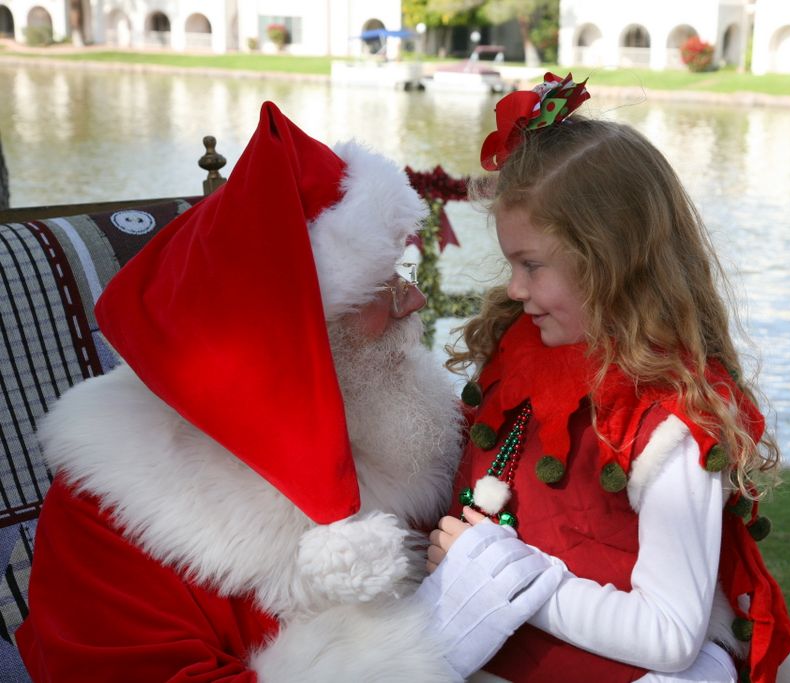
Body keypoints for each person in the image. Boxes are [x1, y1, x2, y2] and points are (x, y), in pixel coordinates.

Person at [15, 101, 560, 681]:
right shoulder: (109, 509)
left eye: (405, 275)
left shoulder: (404, 419)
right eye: (384, 287)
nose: (417, 301)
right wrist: (426, 647)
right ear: (299, 338)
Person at [427, 74, 790, 683]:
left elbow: (671, 635)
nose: (515, 288)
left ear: (609, 261)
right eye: (511, 262)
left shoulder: (663, 419)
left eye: (532, 265)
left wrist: (503, 580)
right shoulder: (521, 356)